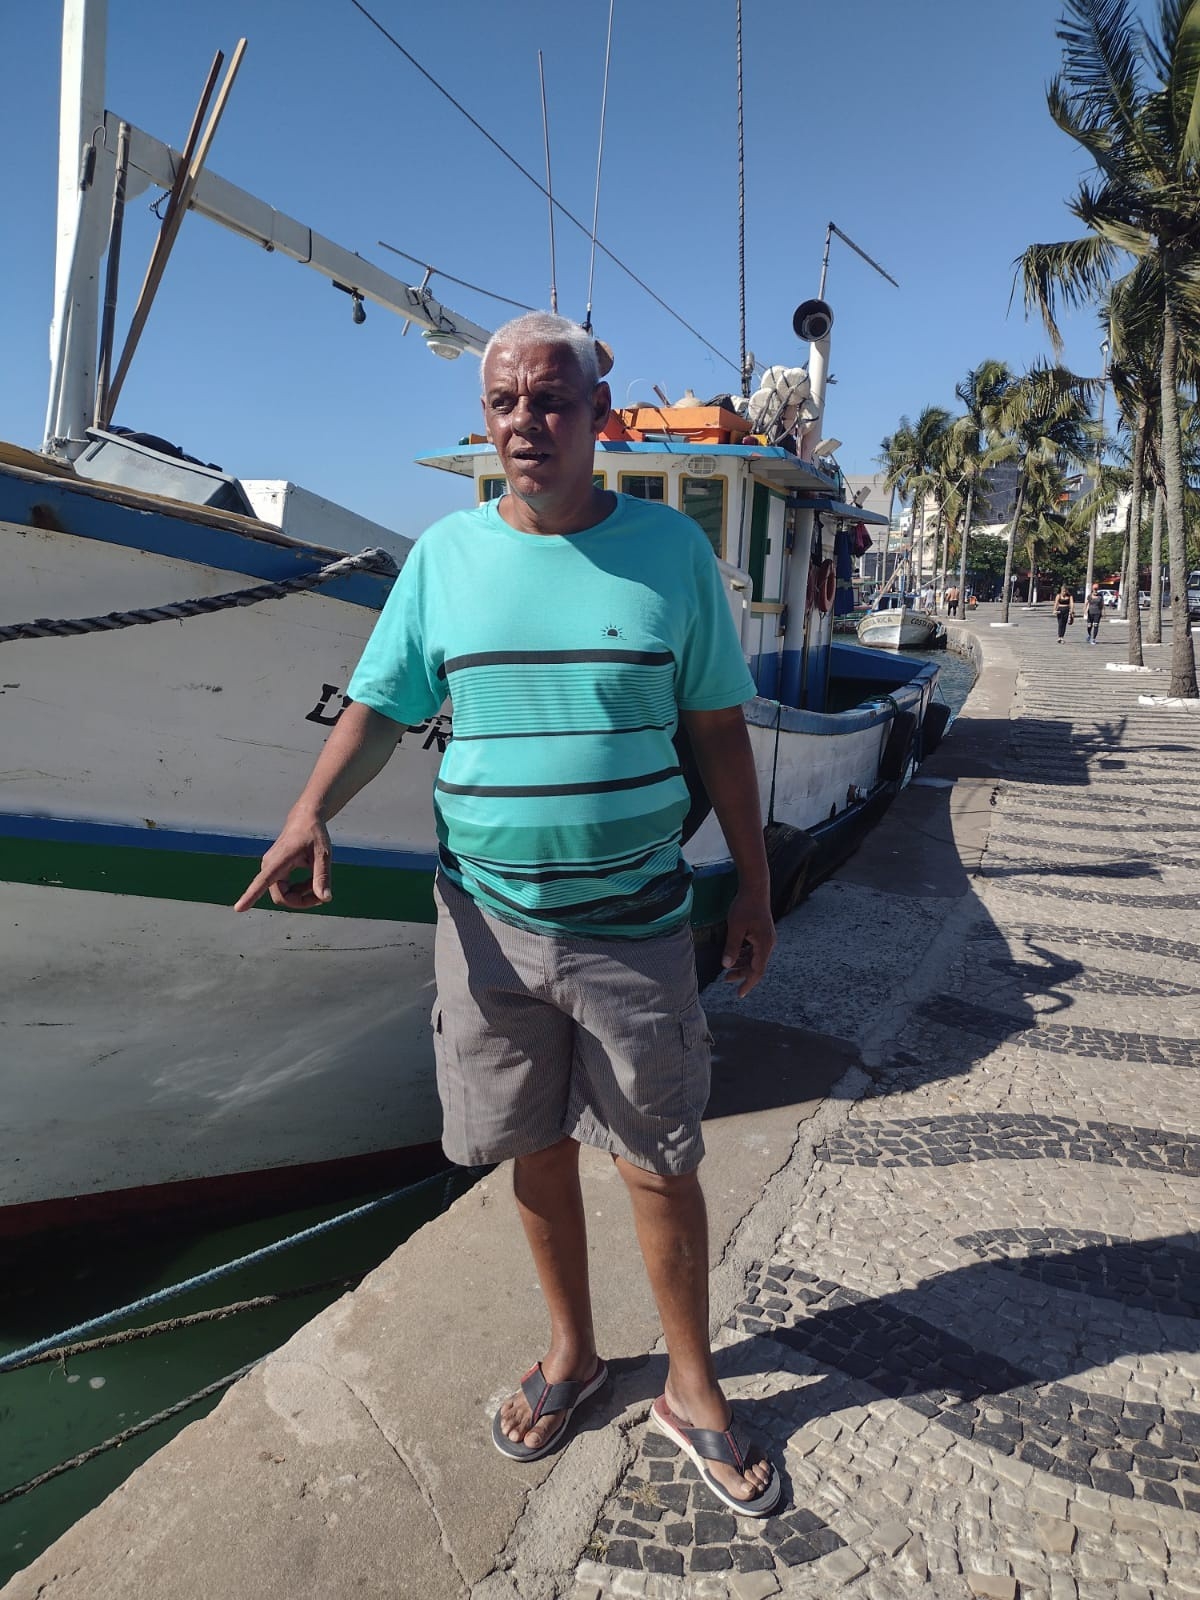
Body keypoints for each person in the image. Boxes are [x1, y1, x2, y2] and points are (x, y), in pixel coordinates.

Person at [234, 311, 782, 1516]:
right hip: (485, 926)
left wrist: (752, 881)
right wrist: (308, 812)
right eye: (504, 403)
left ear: (598, 414)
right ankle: (572, 1353)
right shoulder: (445, 557)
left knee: (659, 1157)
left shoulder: (672, 553)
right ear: (485, 418)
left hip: (635, 923)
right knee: (530, 1148)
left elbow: (718, 731)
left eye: (550, 399)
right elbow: (382, 706)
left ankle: (693, 1385)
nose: (526, 422)